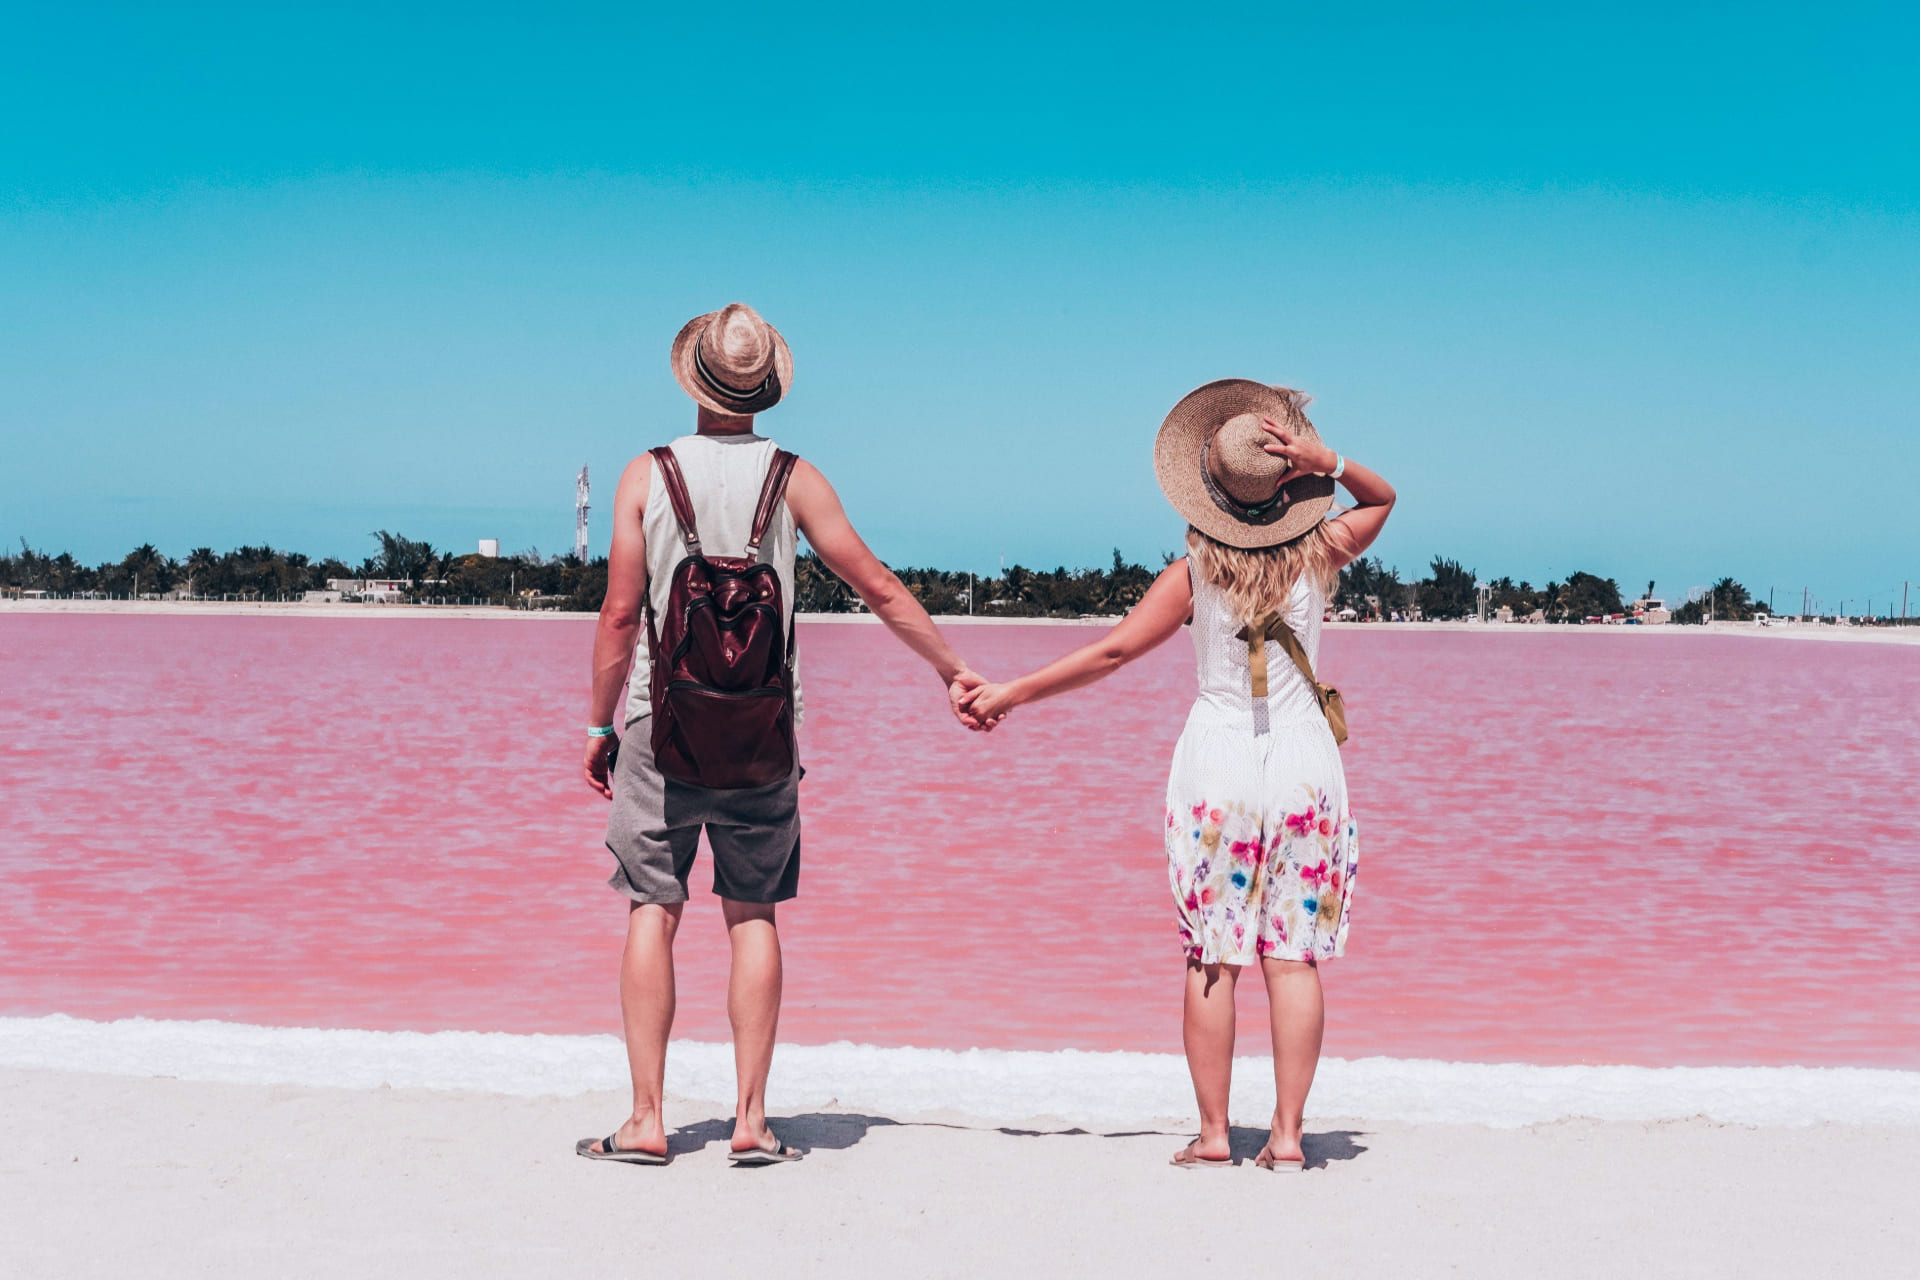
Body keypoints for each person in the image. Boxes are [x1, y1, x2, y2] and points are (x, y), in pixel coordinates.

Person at [577, 303, 986, 1166]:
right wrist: (950, 669)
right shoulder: (795, 479)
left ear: (693, 380)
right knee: (752, 912)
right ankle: (751, 1121)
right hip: (764, 731)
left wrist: (598, 723)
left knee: (653, 908)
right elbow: (876, 585)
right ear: (763, 387)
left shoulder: (646, 476)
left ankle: (646, 1120)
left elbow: (618, 614)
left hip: (658, 723)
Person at [963, 379, 1395, 1171]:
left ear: (1209, 489)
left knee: (1213, 954)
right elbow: (1383, 497)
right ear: (1289, 485)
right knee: (1292, 955)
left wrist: (1010, 694)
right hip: (1304, 766)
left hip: (1218, 762)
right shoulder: (1323, 552)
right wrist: (1325, 460)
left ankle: (1214, 1135)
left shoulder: (1194, 572)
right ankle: (1288, 1139)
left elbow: (1113, 652)